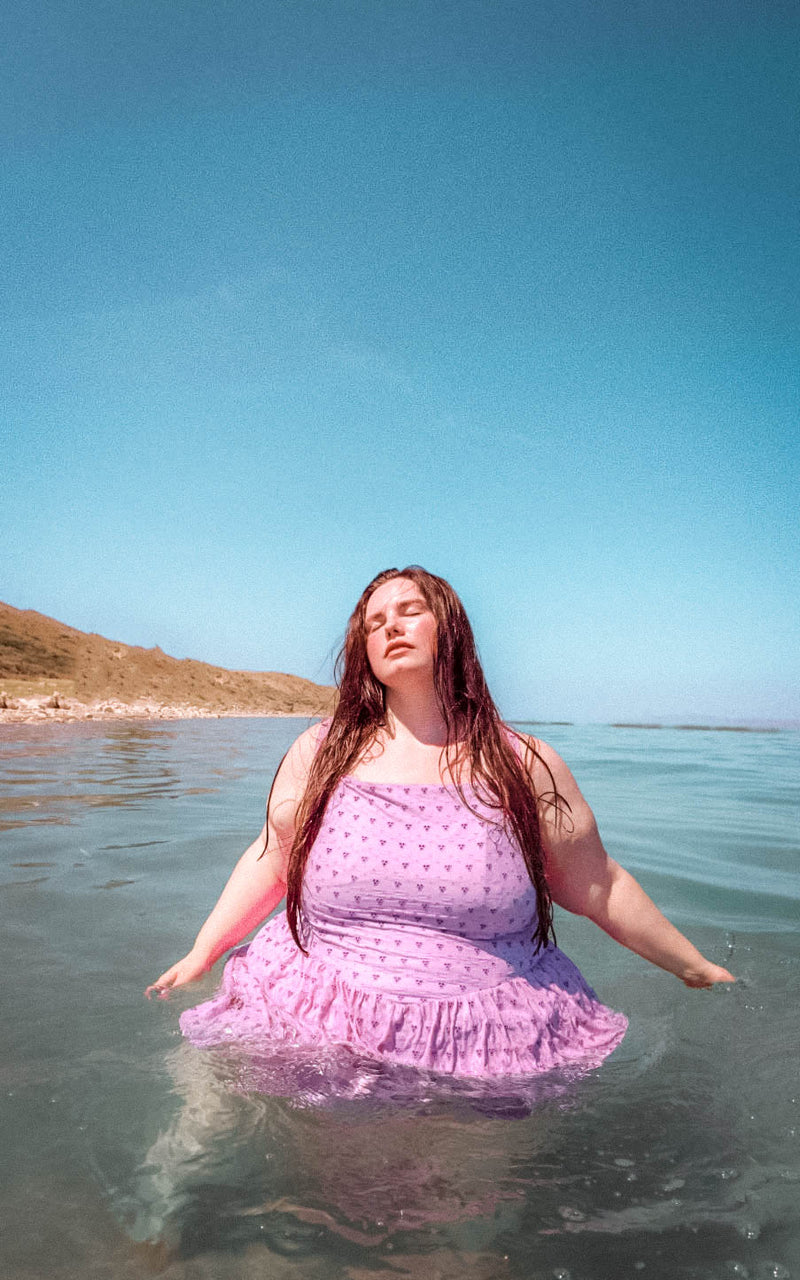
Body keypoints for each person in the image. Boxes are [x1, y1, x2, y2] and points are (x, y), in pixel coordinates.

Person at [146, 567, 734, 1086]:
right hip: (308, 1012)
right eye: (375, 622)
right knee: (228, 1171)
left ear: (450, 629)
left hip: (481, 1041)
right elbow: (274, 858)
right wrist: (203, 952)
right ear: (364, 651)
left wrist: (694, 966)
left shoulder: (523, 763)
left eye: (411, 611)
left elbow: (598, 885)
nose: (391, 627)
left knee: (463, 1204)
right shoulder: (319, 751)